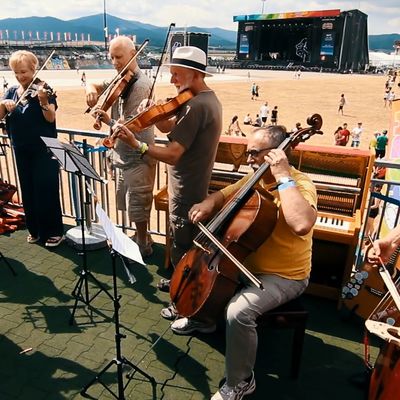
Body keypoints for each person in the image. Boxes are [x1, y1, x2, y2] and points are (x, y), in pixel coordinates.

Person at [171, 125, 317, 399]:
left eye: (253, 153)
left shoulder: (300, 184)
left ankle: (241, 382)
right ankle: (202, 320)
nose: (248, 160)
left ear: (274, 153)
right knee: (206, 275)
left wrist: (283, 176)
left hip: (284, 276)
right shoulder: (255, 178)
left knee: (238, 313)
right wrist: (208, 204)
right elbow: (224, 194)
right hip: (245, 264)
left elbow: (301, 224)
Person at [112, 46, 222, 309]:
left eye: (177, 74)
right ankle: (175, 279)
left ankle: (180, 303)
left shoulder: (195, 106)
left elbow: (173, 154)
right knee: (178, 238)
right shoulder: (201, 100)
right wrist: (154, 115)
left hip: (187, 186)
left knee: (183, 246)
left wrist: (136, 143)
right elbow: (171, 129)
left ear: (195, 74)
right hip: (187, 182)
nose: (172, 80)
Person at [85, 36, 156, 257]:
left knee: (138, 204)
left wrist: (106, 120)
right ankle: (140, 237)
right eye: (112, 57)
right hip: (122, 155)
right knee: (129, 202)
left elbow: (130, 127)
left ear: (133, 54)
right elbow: (97, 84)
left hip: (137, 154)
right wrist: (90, 88)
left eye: (119, 57)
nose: (114, 62)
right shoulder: (120, 78)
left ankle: (143, 245)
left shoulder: (141, 85)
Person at [0, 50, 64, 247]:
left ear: (34, 69)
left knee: (46, 189)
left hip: (43, 150)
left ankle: (53, 231)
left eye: (24, 72)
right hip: (21, 148)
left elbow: (50, 118)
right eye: (16, 72)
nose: (20, 77)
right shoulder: (11, 91)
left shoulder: (44, 89)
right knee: (28, 190)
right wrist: (3, 104)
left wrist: (44, 101)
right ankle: (35, 229)